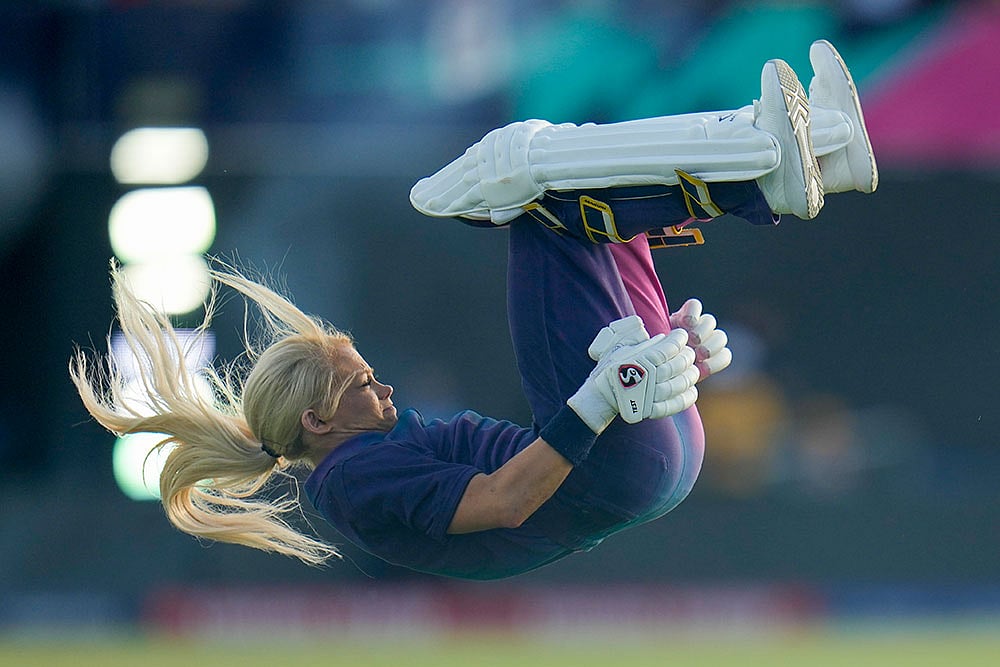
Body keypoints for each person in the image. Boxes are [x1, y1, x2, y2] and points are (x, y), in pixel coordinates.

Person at [70, 41, 875, 579]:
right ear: (319, 421)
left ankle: (816, 160)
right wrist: (597, 402)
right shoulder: (350, 478)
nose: (382, 390)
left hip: (641, 463)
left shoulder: (358, 457)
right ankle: (757, 179)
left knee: (574, 199)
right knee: (529, 193)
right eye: (361, 385)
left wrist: (677, 365)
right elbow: (502, 501)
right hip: (611, 466)